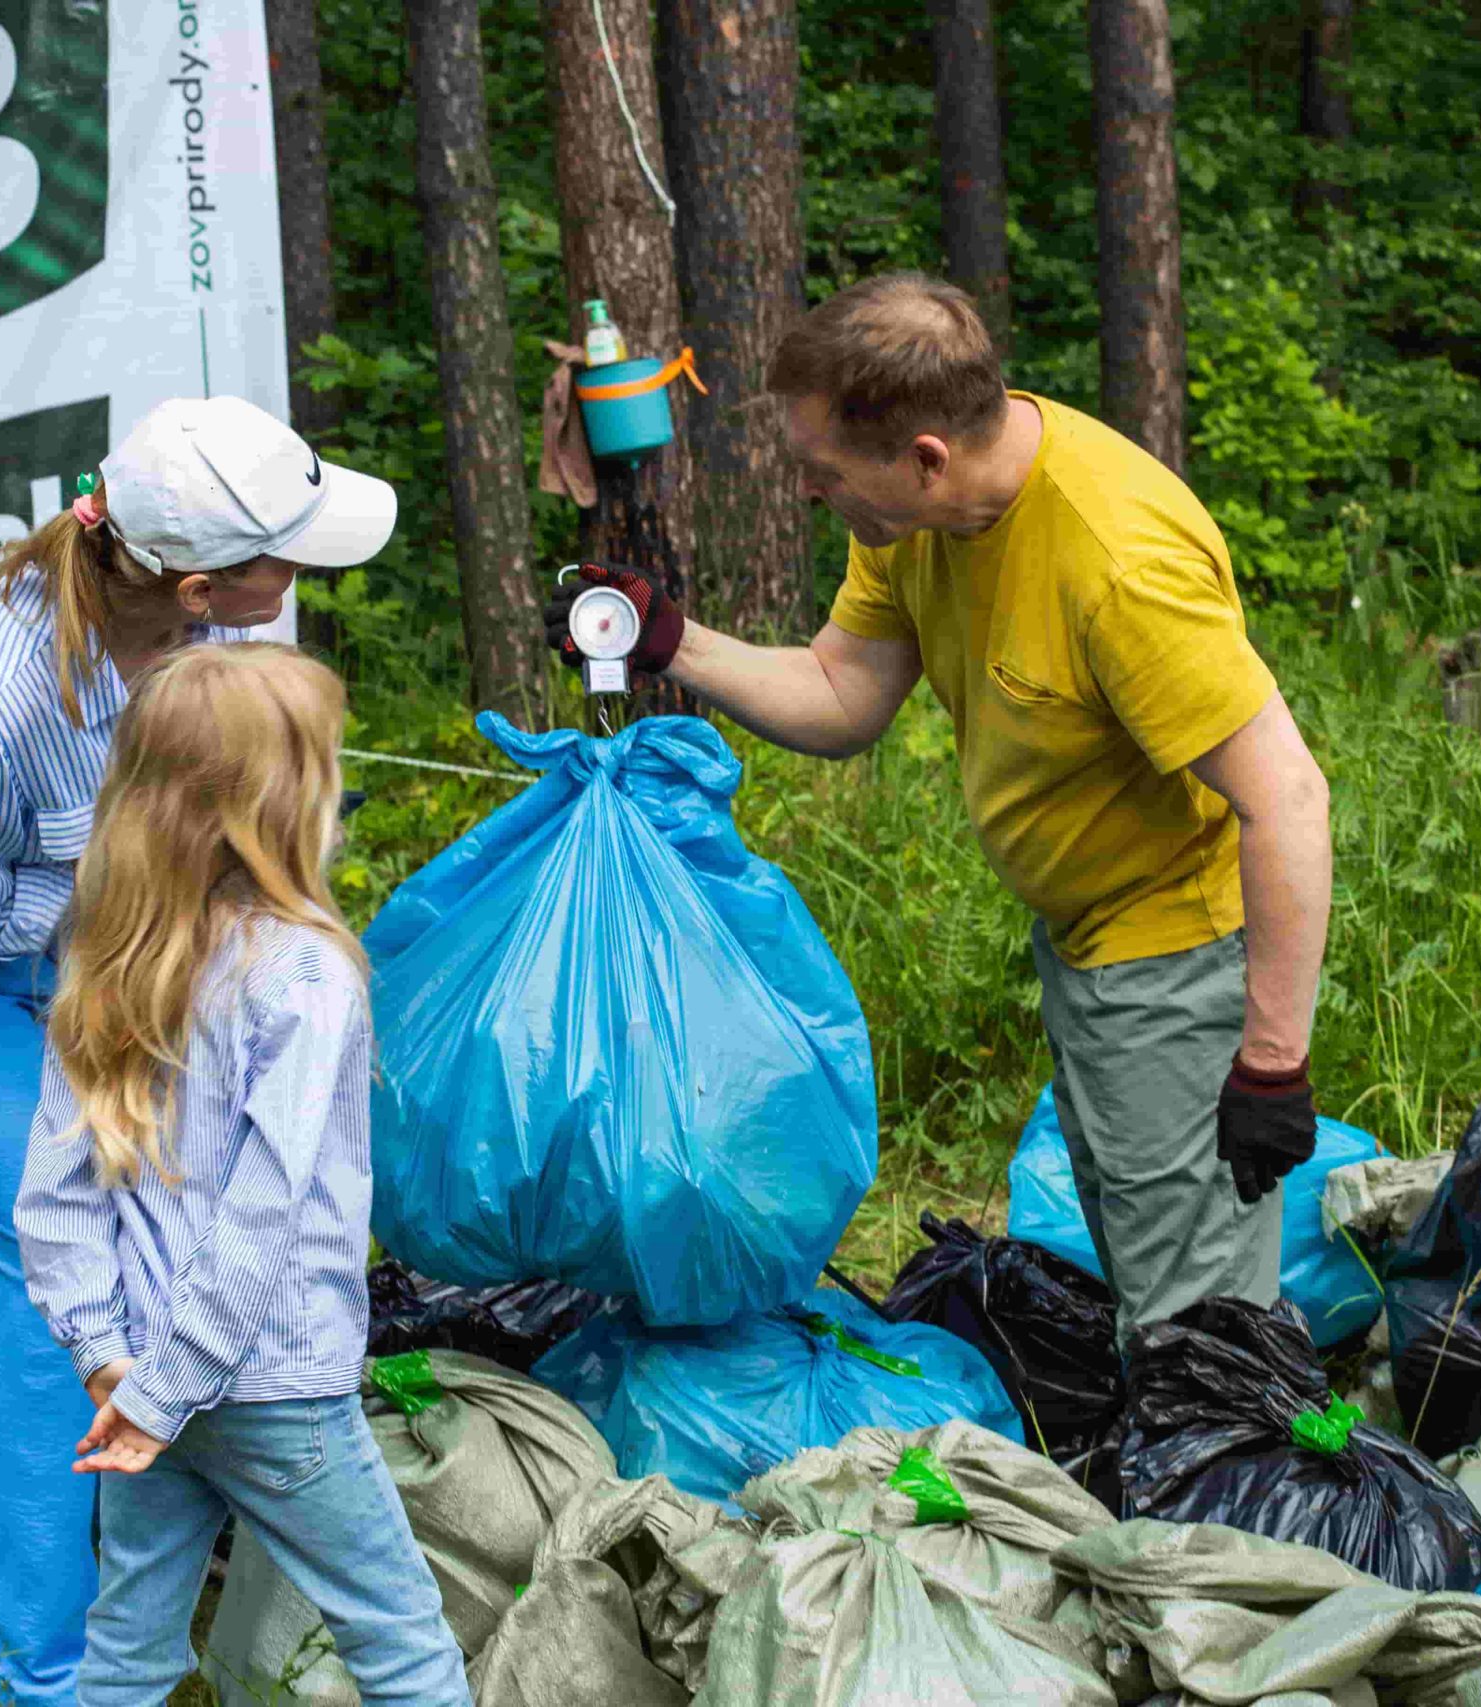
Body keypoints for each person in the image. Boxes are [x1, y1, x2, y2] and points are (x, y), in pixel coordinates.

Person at [550, 272, 1333, 1345]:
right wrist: (670, 642)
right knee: (1143, 1267)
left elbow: (1286, 796)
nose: (812, 497)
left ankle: (1229, 1492)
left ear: (925, 454)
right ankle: (1170, 1454)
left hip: (1176, 952)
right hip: (1082, 940)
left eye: (823, 474)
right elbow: (841, 695)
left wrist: (1271, 1063)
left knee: (1198, 1322)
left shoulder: (1117, 562)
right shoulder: (917, 523)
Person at [0, 398, 396, 1707]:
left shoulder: (188, 624)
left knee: (179, 1228)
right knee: (50, 1291)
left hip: (99, 949)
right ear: (201, 581)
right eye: (287, 557)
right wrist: (98, 1011)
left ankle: (155, 1560)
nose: (299, 577)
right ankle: (36, 1674)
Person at [14, 644, 469, 1706]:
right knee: (401, 1641)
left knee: (128, 1647)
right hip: (272, 1389)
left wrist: (112, 1367)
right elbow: (264, 1211)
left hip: (135, 1382)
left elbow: (53, 1197)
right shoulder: (307, 975)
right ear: (284, 806)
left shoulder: (106, 960)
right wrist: (168, 1388)